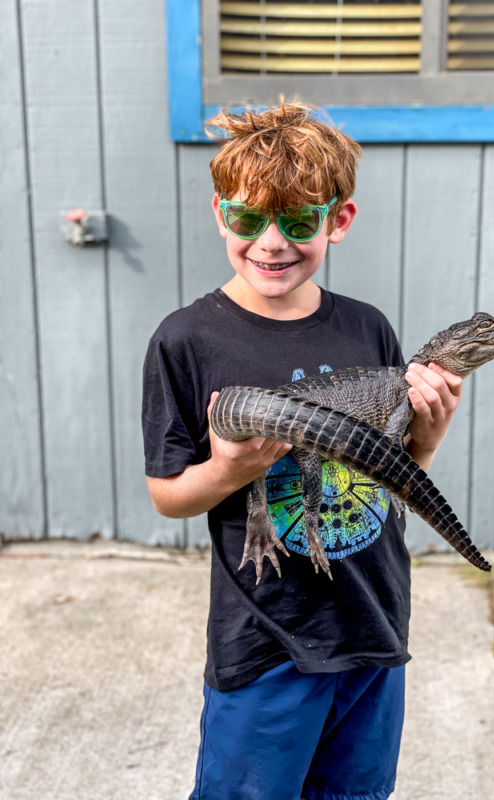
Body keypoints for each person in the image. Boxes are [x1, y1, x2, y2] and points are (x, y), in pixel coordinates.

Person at [141, 101, 463, 800]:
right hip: (267, 645)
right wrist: (228, 468)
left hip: (374, 626)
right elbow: (167, 494)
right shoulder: (186, 340)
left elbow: (386, 482)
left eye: (297, 220)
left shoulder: (368, 328)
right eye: (249, 218)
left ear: (337, 221)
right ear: (222, 215)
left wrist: (426, 442)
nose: (271, 242)